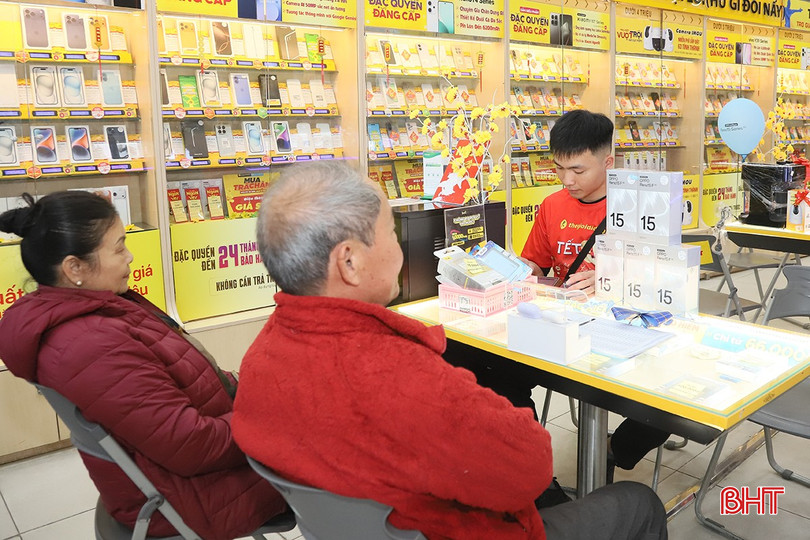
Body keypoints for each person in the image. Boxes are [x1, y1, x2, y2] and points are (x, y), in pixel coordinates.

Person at [232, 161, 667, 539]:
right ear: (349, 262)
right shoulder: (398, 374)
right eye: (391, 232)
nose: (399, 246)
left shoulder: (259, 359)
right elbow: (531, 468)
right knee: (638, 502)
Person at [0, 191, 287, 540]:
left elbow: (181, 379)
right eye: (119, 248)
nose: (130, 256)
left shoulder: (96, 308)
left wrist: (253, 394)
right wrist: (270, 422)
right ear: (75, 268)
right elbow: (191, 446)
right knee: (329, 456)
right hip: (191, 495)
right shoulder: (89, 346)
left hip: (190, 465)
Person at [520, 109, 670, 478]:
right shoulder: (552, 206)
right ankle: (532, 471)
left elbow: (664, 280)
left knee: (671, 400)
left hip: (625, 330)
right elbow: (535, 266)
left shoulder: (639, 205)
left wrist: (611, 279)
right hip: (562, 328)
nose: (566, 180)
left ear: (608, 162)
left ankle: (614, 449)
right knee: (489, 373)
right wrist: (516, 271)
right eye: (559, 168)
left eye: (578, 170)